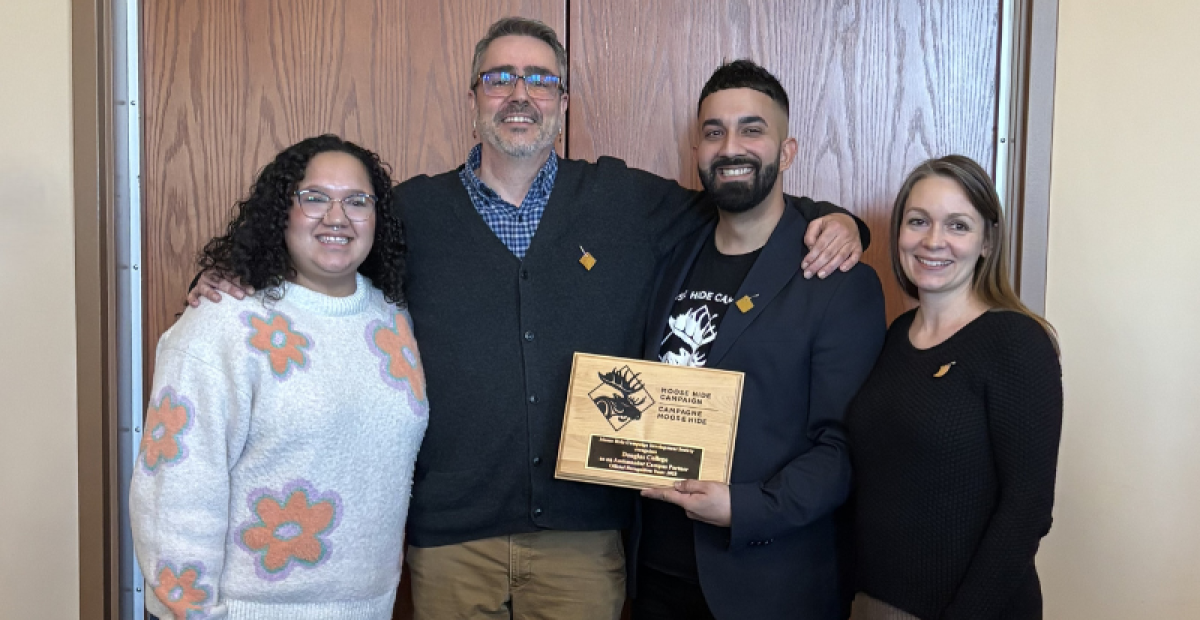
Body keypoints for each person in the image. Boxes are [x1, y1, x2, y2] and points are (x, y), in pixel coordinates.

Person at [189, 18, 867, 619]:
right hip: (452, 537)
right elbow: (327, 255)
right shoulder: (412, 212)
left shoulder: (625, 200)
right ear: (475, 97)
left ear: (563, 102)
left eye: (541, 80)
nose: (520, 94)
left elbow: (742, 193)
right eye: (500, 78)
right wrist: (237, 276)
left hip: (586, 537)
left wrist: (840, 222)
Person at [132, 135, 428, 619]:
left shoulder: (391, 317)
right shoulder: (220, 324)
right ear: (280, 212)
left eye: (357, 201)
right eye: (314, 198)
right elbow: (175, 492)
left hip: (370, 607)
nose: (337, 217)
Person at [634, 60, 886, 620]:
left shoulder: (838, 281)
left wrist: (745, 508)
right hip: (656, 578)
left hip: (770, 585)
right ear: (697, 150)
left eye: (752, 129)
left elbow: (844, 449)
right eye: (714, 131)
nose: (731, 147)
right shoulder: (670, 259)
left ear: (787, 151)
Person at [846, 155, 1063, 620]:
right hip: (872, 603)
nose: (933, 241)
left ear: (987, 241)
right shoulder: (892, 337)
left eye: (958, 226)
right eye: (918, 221)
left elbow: (1028, 507)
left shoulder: (1016, 342)